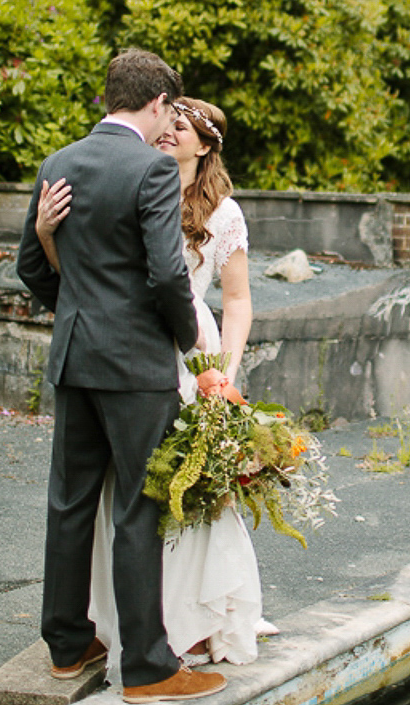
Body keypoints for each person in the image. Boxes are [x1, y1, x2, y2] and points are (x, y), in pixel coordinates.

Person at [16, 49, 227, 704]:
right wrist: (190, 342)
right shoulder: (152, 170)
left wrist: (79, 313)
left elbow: (31, 266)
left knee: (71, 500)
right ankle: (147, 666)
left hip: (75, 357)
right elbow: (167, 275)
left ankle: (66, 643)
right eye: (169, 109)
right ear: (159, 103)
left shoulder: (59, 164)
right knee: (141, 503)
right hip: (135, 365)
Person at [38, 98, 270, 675]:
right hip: (132, 351)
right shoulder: (134, 181)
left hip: (191, 354)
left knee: (181, 492)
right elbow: (91, 272)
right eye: (169, 120)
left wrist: (223, 369)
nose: (169, 131)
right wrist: (46, 236)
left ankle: (190, 621)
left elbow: (237, 299)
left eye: (182, 127)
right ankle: (124, 628)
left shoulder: (225, 214)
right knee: (125, 495)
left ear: (205, 145)